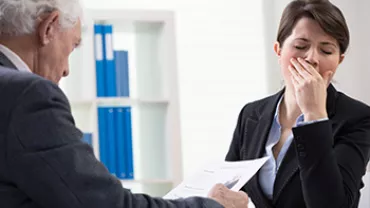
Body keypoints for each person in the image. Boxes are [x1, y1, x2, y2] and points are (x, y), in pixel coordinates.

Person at [0, 0, 250, 207]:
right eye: (72, 47)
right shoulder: (28, 95)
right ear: (49, 28)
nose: (66, 70)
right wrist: (215, 205)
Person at [225, 0, 370, 207]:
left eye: (326, 51)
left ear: (339, 60)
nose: (312, 58)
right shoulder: (251, 114)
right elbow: (231, 187)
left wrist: (315, 115)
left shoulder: (357, 118)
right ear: (278, 50)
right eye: (300, 46)